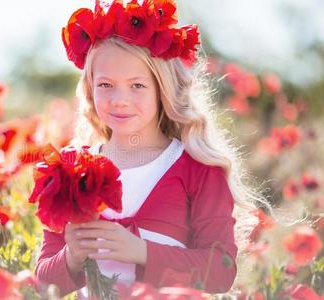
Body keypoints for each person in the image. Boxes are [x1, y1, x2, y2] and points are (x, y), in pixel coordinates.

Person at [34, 0, 269, 298]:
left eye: (137, 86)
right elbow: (43, 281)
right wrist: (71, 257)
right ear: (90, 87)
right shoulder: (71, 173)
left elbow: (221, 271)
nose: (120, 99)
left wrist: (141, 251)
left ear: (162, 88)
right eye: (106, 84)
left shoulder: (198, 169)